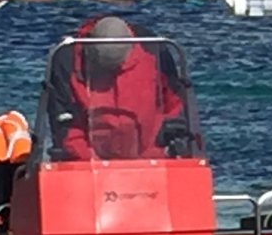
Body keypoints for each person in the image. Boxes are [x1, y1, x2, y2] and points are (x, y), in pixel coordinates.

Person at [44, 15, 202, 161]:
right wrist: (92, 161)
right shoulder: (66, 60)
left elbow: (175, 104)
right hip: (88, 164)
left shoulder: (153, 49)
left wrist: (166, 149)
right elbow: (65, 126)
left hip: (152, 160)